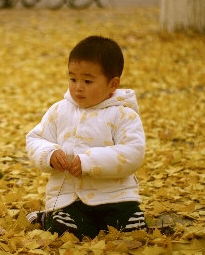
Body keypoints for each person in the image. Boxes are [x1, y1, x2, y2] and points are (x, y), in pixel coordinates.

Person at [26, 35, 146, 241]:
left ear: (113, 84)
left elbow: (133, 152)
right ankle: (50, 218)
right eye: (73, 79)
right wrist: (49, 154)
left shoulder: (124, 115)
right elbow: (35, 139)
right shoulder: (59, 111)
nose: (78, 87)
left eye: (87, 81)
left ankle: (126, 219)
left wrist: (90, 161)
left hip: (116, 197)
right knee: (66, 229)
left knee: (131, 229)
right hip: (70, 199)